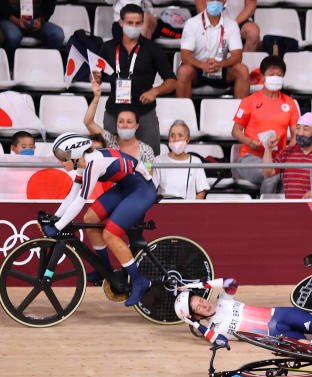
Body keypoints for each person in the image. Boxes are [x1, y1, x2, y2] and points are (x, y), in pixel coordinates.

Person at [44, 133, 157, 306]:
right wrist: (56, 218)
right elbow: (71, 195)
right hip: (125, 187)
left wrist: (58, 226)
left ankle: (139, 281)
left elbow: (81, 200)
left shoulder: (92, 164)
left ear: (75, 155)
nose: (60, 161)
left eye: (63, 157)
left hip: (141, 191)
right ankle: (104, 270)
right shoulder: (82, 164)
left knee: (110, 235)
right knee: (90, 218)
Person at [174, 277, 312, 348]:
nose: (205, 304)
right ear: (195, 316)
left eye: (201, 299)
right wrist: (195, 324)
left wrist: (195, 285)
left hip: (282, 315)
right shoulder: (215, 330)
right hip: (278, 337)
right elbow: (221, 342)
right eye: (199, 307)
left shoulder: (223, 300)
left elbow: (232, 282)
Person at [99, 4, 177, 155]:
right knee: (109, 161)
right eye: (130, 23)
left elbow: (172, 81)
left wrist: (155, 91)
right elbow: (98, 77)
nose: (134, 27)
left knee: (150, 162)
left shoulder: (153, 49)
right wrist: (95, 77)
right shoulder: (107, 48)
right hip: (114, 114)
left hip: (144, 114)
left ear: (142, 23)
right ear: (120, 23)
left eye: (138, 23)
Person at [231, 55, 299, 195]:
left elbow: (296, 135)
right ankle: (266, 214)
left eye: (279, 75)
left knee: (285, 177)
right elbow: (236, 131)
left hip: (278, 159)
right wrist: (250, 142)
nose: (276, 77)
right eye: (271, 74)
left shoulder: (290, 103)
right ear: (262, 77)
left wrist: (288, 153)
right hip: (249, 158)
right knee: (272, 174)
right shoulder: (249, 101)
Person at [177, 0, 249, 100]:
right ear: (205, 1)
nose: (214, 2)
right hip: (197, 69)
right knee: (184, 71)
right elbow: (185, 56)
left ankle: (241, 113)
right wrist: (203, 65)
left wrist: (220, 64)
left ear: (224, 2)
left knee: (242, 70)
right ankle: (182, 114)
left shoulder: (232, 25)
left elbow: (237, 57)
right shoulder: (192, 23)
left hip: (220, 68)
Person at [261, 113, 312, 199]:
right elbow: (268, 173)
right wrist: (268, 148)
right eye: (298, 128)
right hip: (291, 208)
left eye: (305, 129)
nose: (300, 133)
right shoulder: (286, 152)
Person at [84, 74, 157, 167]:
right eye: (121, 121)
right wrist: (96, 97)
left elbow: (148, 177)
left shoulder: (146, 150)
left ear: (137, 125)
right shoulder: (109, 141)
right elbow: (88, 122)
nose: (124, 125)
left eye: (129, 122)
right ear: (117, 124)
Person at [154, 120, 210, 200]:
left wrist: (192, 208)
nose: (176, 139)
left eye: (180, 135)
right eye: (172, 135)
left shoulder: (196, 162)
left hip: (188, 209)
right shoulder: (158, 161)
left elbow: (202, 191)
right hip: (165, 208)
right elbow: (151, 189)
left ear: (187, 139)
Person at [196, 0, 260, 52]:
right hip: (212, 19)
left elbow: (251, 5)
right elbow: (200, 4)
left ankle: (244, 64)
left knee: (253, 33)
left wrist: (233, 24)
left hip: (239, 20)